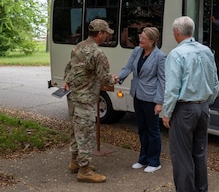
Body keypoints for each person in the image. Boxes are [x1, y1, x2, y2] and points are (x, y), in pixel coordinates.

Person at [162, 16, 219, 192]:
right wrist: (206, 102)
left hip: (184, 108)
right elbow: (215, 82)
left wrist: (167, 112)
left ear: (176, 33)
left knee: (182, 156)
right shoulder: (206, 51)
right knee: (199, 153)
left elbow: (172, 88)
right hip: (203, 107)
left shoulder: (176, 54)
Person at [63, 19, 118, 183]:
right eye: (106, 33)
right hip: (85, 99)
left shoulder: (79, 46)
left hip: (73, 96)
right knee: (86, 134)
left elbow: (69, 67)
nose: (107, 36)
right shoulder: (97, 53)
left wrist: (66, 79)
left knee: (75, 131)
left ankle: (75, 162)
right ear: (100, 33)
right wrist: (114, 79)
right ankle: (84, 170)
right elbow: (104, 77)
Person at [116, 27, 166, 173]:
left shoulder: (160, 56)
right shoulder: (137, 51)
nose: (140, 39)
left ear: (152, 41)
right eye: (140, 36)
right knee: (142, 129)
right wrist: (119, 77)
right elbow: (128, 67)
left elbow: (163, 80)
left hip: (151, 98)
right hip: (137, 95)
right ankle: (143, 158)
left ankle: (154, 161)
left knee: (153, 131)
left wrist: (159, 102)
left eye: (144, 38)